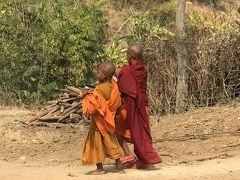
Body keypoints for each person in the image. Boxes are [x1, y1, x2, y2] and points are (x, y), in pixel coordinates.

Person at [117, 43, 162, 169]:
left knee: (119, 128)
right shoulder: (142, 69)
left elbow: (124, 87)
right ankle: (134, 156)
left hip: (131, 107)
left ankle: (137, 157)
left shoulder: (127, 71)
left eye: (127, 53)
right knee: (140, 132)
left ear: (130, 55)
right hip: (142, 106)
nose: (126, 56)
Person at [81, 62, 123, 175]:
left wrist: (86, 96)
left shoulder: (99, 89)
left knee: (96, 143)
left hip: (98, 122)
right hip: (109, 120)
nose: (97, 74)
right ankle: (118, 161)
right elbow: (116, 103)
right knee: (110, 139)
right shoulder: (114, 86)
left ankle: (100, 168)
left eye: (98, 72)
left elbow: (94, 107)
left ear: (104, 75)